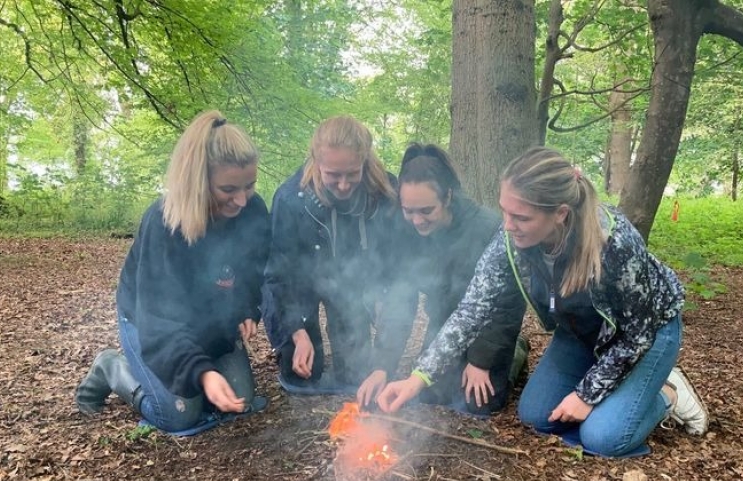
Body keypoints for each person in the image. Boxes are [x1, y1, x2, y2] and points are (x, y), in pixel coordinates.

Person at [378, 146, 709, 457]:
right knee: (536, 415)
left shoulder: (614, 241)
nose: (507, 226)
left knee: (603, 437)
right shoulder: (510, 241)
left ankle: (667, 393)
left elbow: (637, 332)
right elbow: (472, 310)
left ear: (560, 214)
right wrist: (418, 377)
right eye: (505, 211)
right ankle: (616, 387)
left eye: (520, 217)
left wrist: (585, 395)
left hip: (646, 334)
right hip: (580, 332)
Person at [75, 110, 270, 435]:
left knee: (240, 399)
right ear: (198, 181)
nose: (241, 200)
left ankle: (198, 374)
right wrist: (203, 373)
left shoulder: (254, 211)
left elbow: (252, 268)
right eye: (228, 189)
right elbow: (160, 321)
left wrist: (248, 307)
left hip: (211, 321)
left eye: (250, 185)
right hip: (150, 321)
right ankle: (111, 367)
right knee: (179, 416)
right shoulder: (165, 223)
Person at [356, 143, 527, 417]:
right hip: (444, 325)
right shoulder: (404, 231)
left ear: (447, 197)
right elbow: (399, 300)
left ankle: (516, 353)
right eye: (408, 211)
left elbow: (508, 300)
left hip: (488, 327)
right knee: (430, 395)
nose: (417, 220)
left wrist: (482, 360)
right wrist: (382, 366)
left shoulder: (485, 228)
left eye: (426, 210)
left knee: (479, 404)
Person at [262, 116, 413, 394]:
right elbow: (279, 274)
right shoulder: (290, 198)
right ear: (316, 163)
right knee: (302, 379)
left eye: (352, 173)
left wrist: (380, 305)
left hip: (349, 286)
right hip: (299, 286)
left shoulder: (384, 195)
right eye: (333, 174)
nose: (343, 185)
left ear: (365, 162)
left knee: (355, 377)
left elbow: (398, 273)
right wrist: (297, 332)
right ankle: (300, 345)